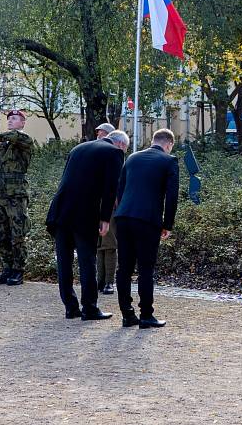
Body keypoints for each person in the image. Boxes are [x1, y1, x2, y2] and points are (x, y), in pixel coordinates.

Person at [46, 130, 128, 319]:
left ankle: (70, 307)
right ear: (121, 145)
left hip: (60, 210)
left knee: (64, 261)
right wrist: (105, 219)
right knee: (87, 260)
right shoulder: (114, 153)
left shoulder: (78, 148)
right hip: (84, 213)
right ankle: (89, 308)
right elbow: (111, 188)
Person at [114, 128, 179, 329]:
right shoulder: (169, 161)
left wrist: (122, 210)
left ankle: (127, 314)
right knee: (145, 269)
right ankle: (146, 315)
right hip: (147, 220)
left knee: (123, 268)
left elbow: (120, 189)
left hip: (123, 217)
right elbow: (172, 196)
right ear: (168, 144)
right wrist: (167, 224)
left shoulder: (132, 158)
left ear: (153, 140)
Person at [0, 109, 34, 286]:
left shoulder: (24, 140)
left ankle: (18, 270)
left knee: (17, 234)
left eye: (14, 118)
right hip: (0, 194)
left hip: (16, 195)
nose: (10, 121)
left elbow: (12, 136)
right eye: (9, 119)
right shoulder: (2, 144)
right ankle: (7, 268)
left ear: (22, 123)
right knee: (2, 233)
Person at [96, 122, 120, 295]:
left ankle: (109, 282)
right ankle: (100, 280)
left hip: (110, 205)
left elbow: (117, 181)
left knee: (109, 244)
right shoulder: (93, 152)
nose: (99, 136)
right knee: (97, 245)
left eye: (103, 134)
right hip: (95, 204)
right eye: (98, 134)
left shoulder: (115, 154)